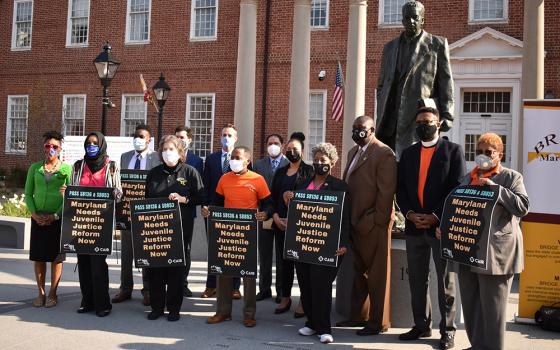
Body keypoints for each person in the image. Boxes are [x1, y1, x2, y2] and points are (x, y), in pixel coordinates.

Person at [436, 133, 529, 350]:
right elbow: (458, 211)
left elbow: (523, 207)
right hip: (468, 251)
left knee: (493, 309)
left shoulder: (511, 177)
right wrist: (447, 231)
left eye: (489, 152)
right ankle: (477, 345)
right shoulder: (468, 178)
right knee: (471, 305)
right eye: (480, 151)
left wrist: (494, 188)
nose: (483, 156)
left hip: (496, 256)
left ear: (500, 155)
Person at [396, 105, 466, 350]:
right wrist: (410, 214)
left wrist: (436, 216)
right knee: (417, 279)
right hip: (415, 227)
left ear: (438, 124)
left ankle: (447, 330)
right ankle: (421, 325)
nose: (422, 126)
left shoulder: (453, 151)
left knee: (446, 282)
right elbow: (401, 189)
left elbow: (456, 188)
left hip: (440, 228)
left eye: (427, 121)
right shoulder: (408, 153)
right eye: (418, 123)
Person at [337, 115, 397, 335]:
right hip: (354, 223)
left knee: (378, 275)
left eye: (360, 128)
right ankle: (359, 316)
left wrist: (376, 221)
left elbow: (386, 191)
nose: (356, 132)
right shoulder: (353, 152)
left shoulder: (383, 153)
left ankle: (378, 322)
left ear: (371, 130)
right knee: (359, 274)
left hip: (374, 225)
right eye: (354, 128)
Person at [284, 142, 349, 344]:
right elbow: (294, 210)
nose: (320, 162)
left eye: (324, 160)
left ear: (333, 162)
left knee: (321, 285)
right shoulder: (303, 184)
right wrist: (287, 198)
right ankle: (311, 323)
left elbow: (346, 217)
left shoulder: (340, 186)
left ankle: (324, 328)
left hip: (329, 246)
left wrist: (344, 243)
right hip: (304, 243)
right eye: (317, 159)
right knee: (306, 284)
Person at [203, 146, 273, 327]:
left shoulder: (258, 179)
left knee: (248, 275)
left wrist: (265, 214)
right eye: (232, 157)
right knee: (223, 272)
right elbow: (216, 203)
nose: (233, 159)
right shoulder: (224, 179)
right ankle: (222, 312)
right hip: (226, 231)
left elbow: (268, 205)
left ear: (247, 161)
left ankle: (249, 314)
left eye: (237, 157)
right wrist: (208, 210)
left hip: (248, 232)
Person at [376, 0, 454, 158]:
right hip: (389, 121)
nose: (410, 21)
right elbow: (382, 84)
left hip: (418, 117)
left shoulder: (437, 44)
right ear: (402, 20)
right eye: (407, 18)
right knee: (389, 170)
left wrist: (447, 115)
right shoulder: (389, 47)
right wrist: (382, 109)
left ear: (422, 20)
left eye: (415, 18)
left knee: (414, 166)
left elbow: (445, 82)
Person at [143, 135, 204, 321]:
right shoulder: (154, 174)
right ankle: (157, 307)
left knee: (176, 269)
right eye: (165, 149)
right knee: (156, 270)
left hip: (181, 229)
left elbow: (201, 198)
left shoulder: (190, 172)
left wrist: (184, 199)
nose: (168, 153)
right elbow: (146, 199)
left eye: (172, 149)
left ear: (180, 152)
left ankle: (174, 308)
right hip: (157, 229)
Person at [66, 132, 122, 317]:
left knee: (98, 264)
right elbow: (73, 191)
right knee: (83, 263)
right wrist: (67, 192)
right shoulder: (77, 166)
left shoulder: (112, 166)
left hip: (101, 223)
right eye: (88, 143)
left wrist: (114, 193)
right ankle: (87, 301)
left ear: (102, 145)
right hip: (81, 222)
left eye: (95, 143)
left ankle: (102, 304)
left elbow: (120, 194)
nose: (91, 146)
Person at [113, 124, 160, 306]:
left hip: (146, 212)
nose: (137, 139)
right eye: (135, 136)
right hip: (127, 212)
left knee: (146, 253)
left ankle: (147, 290)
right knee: (126, 254)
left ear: (149, 140)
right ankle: (125, 288)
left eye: (141, 136)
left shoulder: (156, 157)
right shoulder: (125, 157)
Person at [25, 131, 72, 308]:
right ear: (44, 148)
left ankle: (53, 293)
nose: (51, 149)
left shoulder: (67, 169)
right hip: (38, 218)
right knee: (39, 257)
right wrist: (34, 213)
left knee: (56, 258)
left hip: (57, 218)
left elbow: (69, 196)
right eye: (48, 146)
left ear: (60, 149)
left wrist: (55, 215)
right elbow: (28, 194)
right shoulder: (35, 168)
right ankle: (41, 293)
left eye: (54, 146)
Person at [270, 132, 312, 316]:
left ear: (302, 151)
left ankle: (304, 300)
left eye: (295, 149)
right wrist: (276, 216)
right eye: (289, 149)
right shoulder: (280, 172)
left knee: (302, 265)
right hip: (281, 225)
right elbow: (272, 198)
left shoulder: (309, 171)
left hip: (300, 226)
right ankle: (285, 297)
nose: (292, 152)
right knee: (284, 263)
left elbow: (312, 198)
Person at [201, 124, 241, 299]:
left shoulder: (242, 158)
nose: (226, 138)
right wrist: (205, 205)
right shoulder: (211, 159)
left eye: (230, 135)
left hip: (234, 211)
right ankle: (211, 285)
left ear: (236, 138)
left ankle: (234, 287)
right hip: (213, 211)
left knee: (234, 249)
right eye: (224, 134)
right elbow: (206, 184)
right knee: (214, 249)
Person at [252, 133, 289, 302]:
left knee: (282, 255)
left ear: (282, 145)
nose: (272, 146)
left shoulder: (288, 164)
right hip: (265, 214)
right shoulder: (258, 165)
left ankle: (281, 289)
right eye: (269, 143)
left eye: (276, 143)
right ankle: (264, 288)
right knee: (264, 253)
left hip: (282, 216)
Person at [175, 125, 203, 297]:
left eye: (183, 137)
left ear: (189, 140)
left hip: (187, 210)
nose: (179, 140)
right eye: (177, 136)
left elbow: (199, 189)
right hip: (167, 211)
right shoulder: (168, 156)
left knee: (185, 249)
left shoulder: (197, 161)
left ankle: (183, 283)